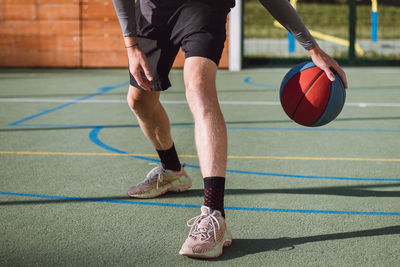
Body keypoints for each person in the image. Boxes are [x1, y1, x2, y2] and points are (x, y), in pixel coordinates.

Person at [112, 0, 348, 259]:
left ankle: (214, 213)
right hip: (152, 12)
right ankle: (172, 171)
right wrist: (131, 45)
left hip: (204, 7)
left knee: (199, 86)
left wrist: (311, 47)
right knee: (139, 100)